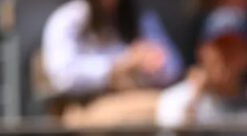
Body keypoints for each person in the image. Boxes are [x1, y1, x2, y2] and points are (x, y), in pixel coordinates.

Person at [41, 0, 183, 99]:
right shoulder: (69, 18)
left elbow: (173, 66)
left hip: (138, 96)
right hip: (87, 103)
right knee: (168, 109)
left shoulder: (138, 17)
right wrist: (120, 64)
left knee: (177, 105)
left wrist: (153, 62)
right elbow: (63, 76)